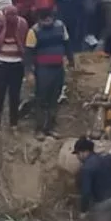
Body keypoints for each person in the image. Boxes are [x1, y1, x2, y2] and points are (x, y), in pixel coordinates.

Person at [25, 8, 75, 137]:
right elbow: (28, 54)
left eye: (49, 18)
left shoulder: (60, 27)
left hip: (58, 68)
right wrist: (29, 72)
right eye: (44, 19)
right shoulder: (34, 31)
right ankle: (39, 129)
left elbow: (67, 44)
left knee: (54, 98)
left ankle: (51, 127)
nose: (47, 21)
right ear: (39, 19)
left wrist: (71, 61)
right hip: (43, 70)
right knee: (41, 99)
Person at [0, 5, 29, 128]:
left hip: (17, 62)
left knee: (15, 95)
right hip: (2, 61)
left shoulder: (22, 23)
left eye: (14, 14)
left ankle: (14, 124)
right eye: (9, 15)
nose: (11, 17)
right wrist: (5, 29)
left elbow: (25, 43)